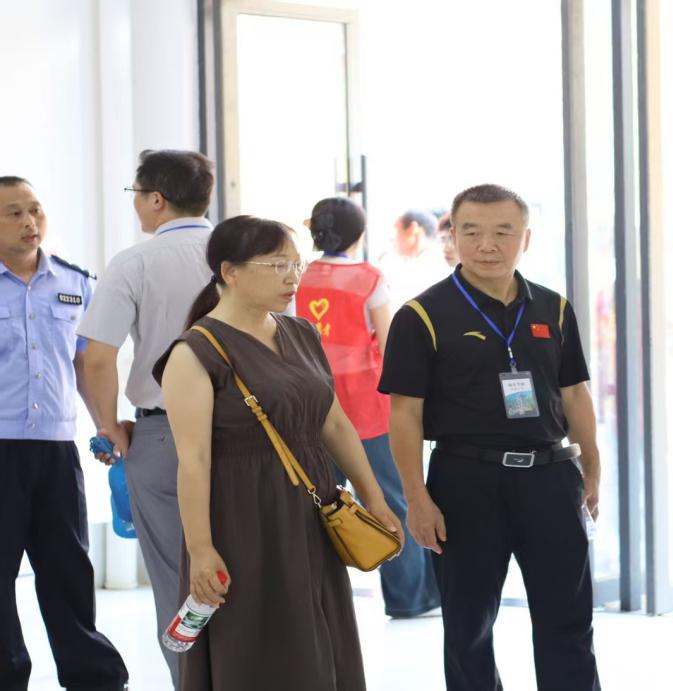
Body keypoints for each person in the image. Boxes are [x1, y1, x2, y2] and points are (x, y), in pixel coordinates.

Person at [153, 215, 400, 691]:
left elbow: (334, 423)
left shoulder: (301, 332)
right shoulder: (195, 352)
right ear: (230, 271)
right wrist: (201, 548)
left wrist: (375, 498)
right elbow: (194, 461)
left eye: (296, 264)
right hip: (243, 515)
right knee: (257, 639)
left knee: (319, 632)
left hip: (312, 506)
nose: (292, 277)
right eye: (277, 265)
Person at [380, 183, 601, 690]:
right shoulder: (421, 316)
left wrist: (591, 468)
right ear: (453, 237)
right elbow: (405, 414)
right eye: (472, 232)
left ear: (525, 238)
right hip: (465, 480)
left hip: (550, 477)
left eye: (503, 232)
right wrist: (416, 498)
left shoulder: (553, 308)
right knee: (468, 627)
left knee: (569, 620)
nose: (487, 245)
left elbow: (575, 394)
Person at [76, 149, 213, 685]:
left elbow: (97, 357)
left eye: (136, 195)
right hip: (247, 433)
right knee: (249, 566)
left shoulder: (135, 263)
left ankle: (193, 680)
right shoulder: (242, 253)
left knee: (178, 579)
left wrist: (110, 426)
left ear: (156, 199)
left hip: (162, 436)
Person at [0, 176, 130, 691]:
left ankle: (93, 677)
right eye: (13, 212)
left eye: (35, 210)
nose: (29, 222)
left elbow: (86, 364)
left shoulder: (74, 282)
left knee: (68, 567)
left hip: (56, 451)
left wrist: (106, 424)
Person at [297, 196, 440, 618]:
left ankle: (314, 602)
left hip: (312, 408)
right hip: (366, 409)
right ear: (358, 235)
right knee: (391, 500)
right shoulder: (368, 278)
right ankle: (409, 598)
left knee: (315, 506)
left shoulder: (297, 277)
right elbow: (390, 342)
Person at [378, 208, 450, 307]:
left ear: (413, 229)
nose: (392, 240)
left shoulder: (436, 264)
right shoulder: (402, 261)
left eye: (396, 231)